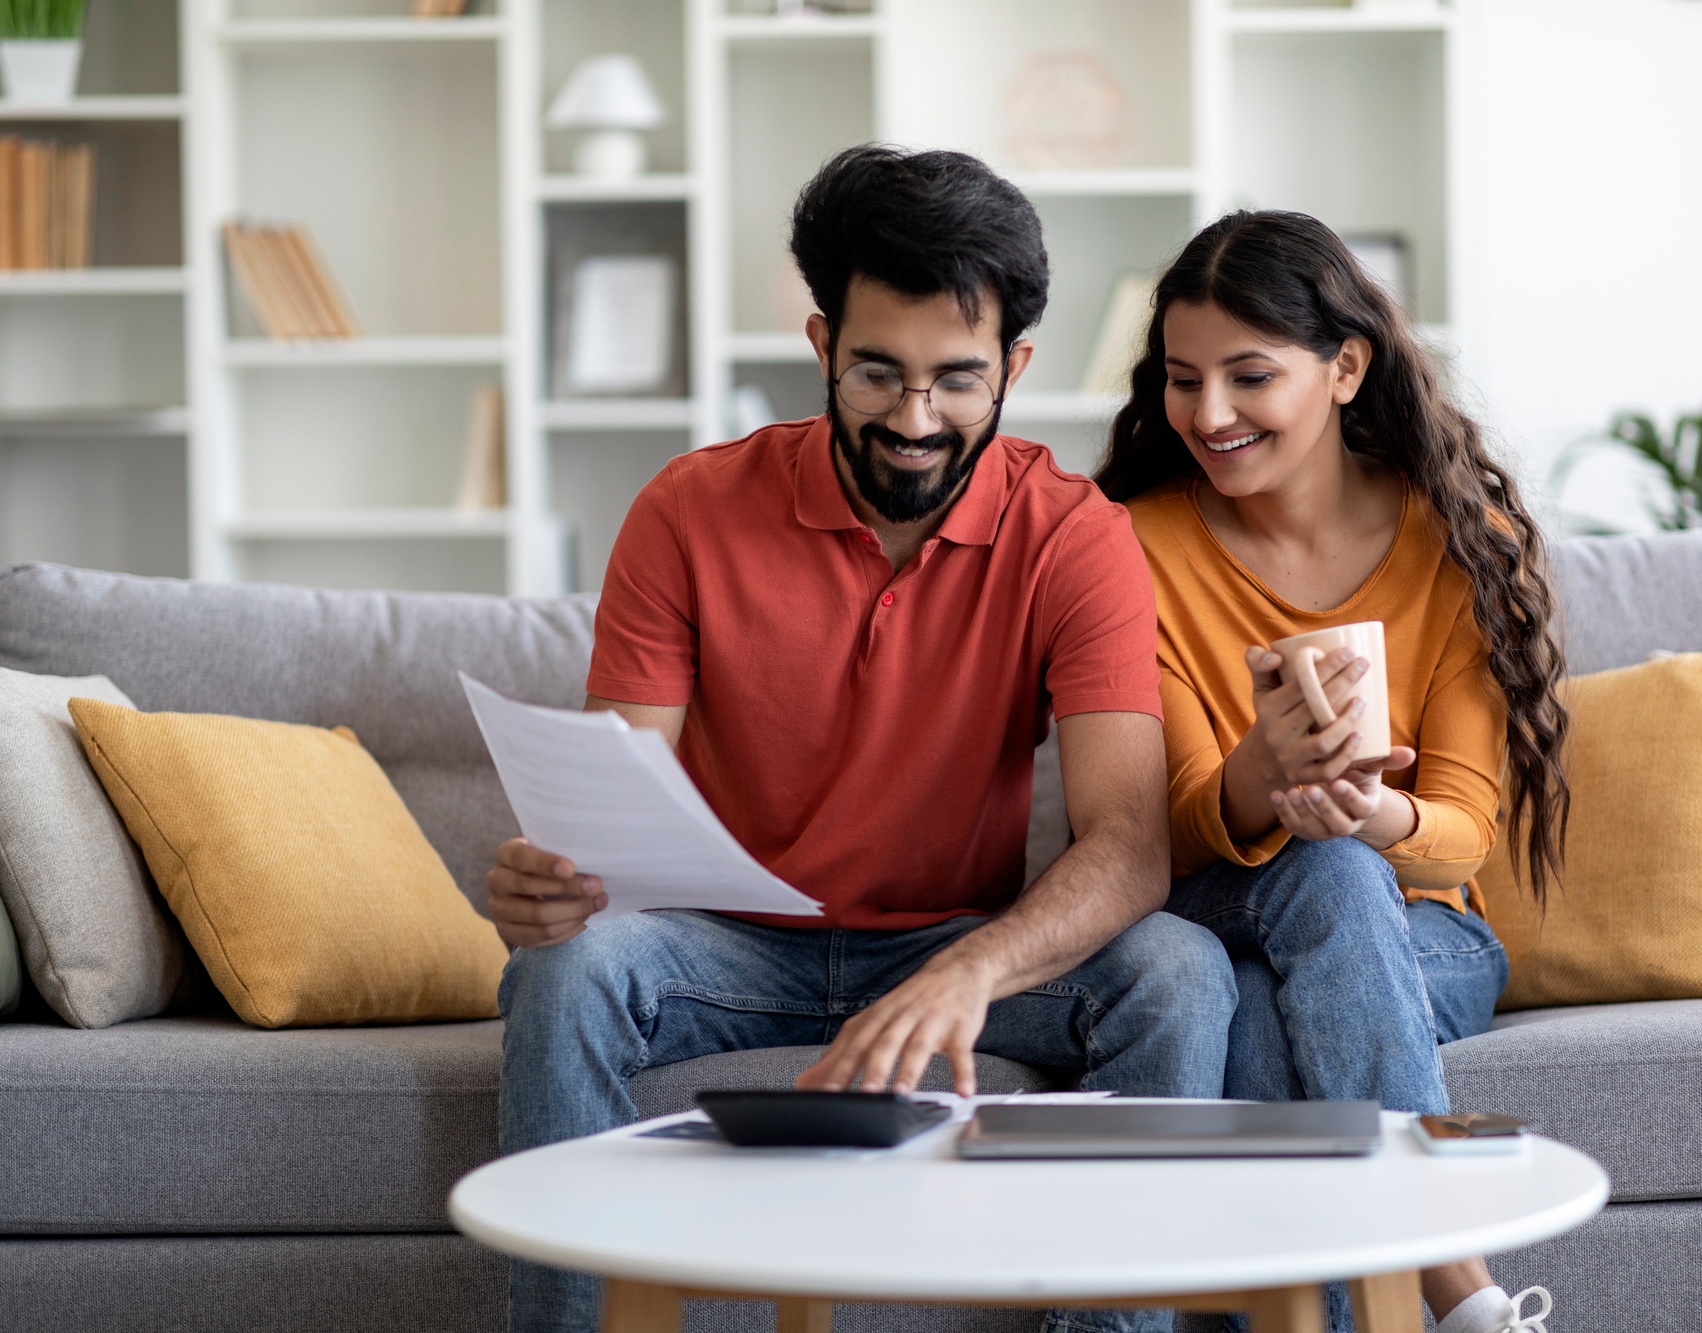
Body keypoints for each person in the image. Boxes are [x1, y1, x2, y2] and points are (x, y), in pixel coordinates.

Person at [487, 145, 1237, 1333]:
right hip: (722, 949)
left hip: (949, 941)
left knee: (1178, 972)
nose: (914, 421)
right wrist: (554, 885)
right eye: (876, 374)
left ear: (1015, 368)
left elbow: (1132, 845)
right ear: (821, 344)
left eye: (956, 380)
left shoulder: (1074, 535)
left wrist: (967, 972)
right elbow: (609, 809)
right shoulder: (685, 509)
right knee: (566, 968)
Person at [1094, 211, 1571, 1333]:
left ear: (1344, 367)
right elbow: (1154, 824)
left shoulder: (1455, 539)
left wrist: (1377, 811)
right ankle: (1456, 1284)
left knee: (1290, 967)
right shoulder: (1133, 545)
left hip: (1425, 933)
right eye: (1180, 379)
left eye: (1248, 376)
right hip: (1216, 901)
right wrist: (1259, 778)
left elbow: (1461, 830)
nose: (1206, 414)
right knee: (1320, 875)